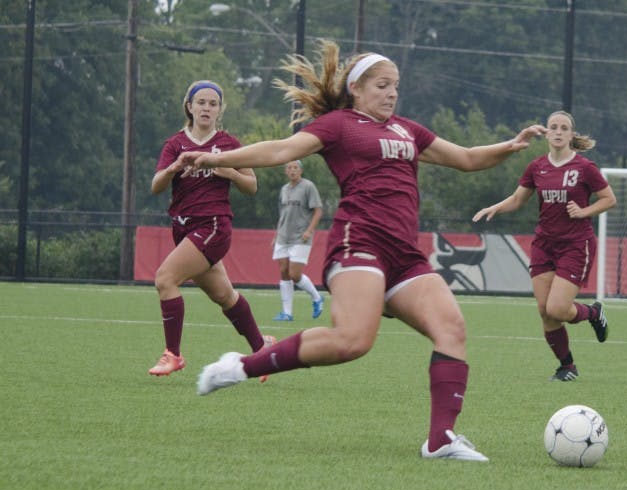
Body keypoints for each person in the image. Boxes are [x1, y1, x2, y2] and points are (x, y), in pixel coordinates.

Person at [177, 41, 546, 462]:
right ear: (356, 88)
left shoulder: (409, 130)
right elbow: (280, 149)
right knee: (353, 341)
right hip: (360, 243)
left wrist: (509, 146)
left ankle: (441, 439)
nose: (391, 93)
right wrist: (210, 158)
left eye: (396, 86)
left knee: (452, 329)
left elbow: (465, 158)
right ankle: (240, 367)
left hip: (405, 254)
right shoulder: (339, 125)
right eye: (382, 86)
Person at [472, 110, 616, 382]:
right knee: (544, 311)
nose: (559, 131)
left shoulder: (585, 168)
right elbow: (517, 200)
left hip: (576, 244)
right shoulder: (537, 166)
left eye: (564, 128)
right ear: (547, 133)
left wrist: (584, 212)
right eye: (554, 127)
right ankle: (567, 367)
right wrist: (495, 208)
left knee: (558, 309)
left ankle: (593, 313)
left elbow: (609, 199)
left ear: (571, 135)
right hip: (544, 244)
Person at [148, 80, 273, 376]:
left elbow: (251, 186)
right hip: (183, 229)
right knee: (225, 296)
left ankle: (173, 355)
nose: (207, 108)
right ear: (189, 107)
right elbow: (156, 186)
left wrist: (227, 170)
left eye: (213, 103)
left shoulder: (229, 144)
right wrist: (173, 168)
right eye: (201, 102)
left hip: (213, 226)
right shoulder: (175, 144)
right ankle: (263, 350)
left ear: (220, 110)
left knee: (165, 279)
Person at [272, 160, 325, 322]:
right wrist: (276, 235)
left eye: (295, 168)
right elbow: (283, 214)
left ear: (301, 171)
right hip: (283, 236)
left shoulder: (308, 186)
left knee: (295, 274)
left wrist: (309, 230)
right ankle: (287, 313)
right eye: (289, 168)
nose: (292, 170)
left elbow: (318, 211)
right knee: (283, 272)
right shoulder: (284, 189)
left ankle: (317, 297)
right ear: (285, 171)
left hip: (300, 236)